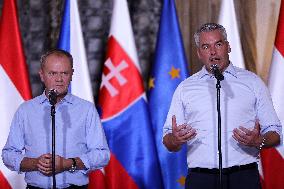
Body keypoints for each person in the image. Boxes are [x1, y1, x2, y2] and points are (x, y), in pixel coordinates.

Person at [163, 23, 282, 189]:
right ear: (199, 53)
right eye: (205, 46)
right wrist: (175, 139)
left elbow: (275, 133)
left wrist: (259, 141)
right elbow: (168, 140)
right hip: (200, 179)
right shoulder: (185, 88)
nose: (213, 52)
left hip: (243, 178)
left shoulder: (252, 82)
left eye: (218, 44)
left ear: (228, 47)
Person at [2, 49, 110, 189]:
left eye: (64, 73)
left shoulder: (86, 109)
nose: (59, 79)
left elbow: (102, 154)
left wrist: (68, 163)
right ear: (42, 75)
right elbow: (8, 154)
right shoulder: (25, 110)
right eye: (52, 73)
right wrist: (35, 163)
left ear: (71, 75)